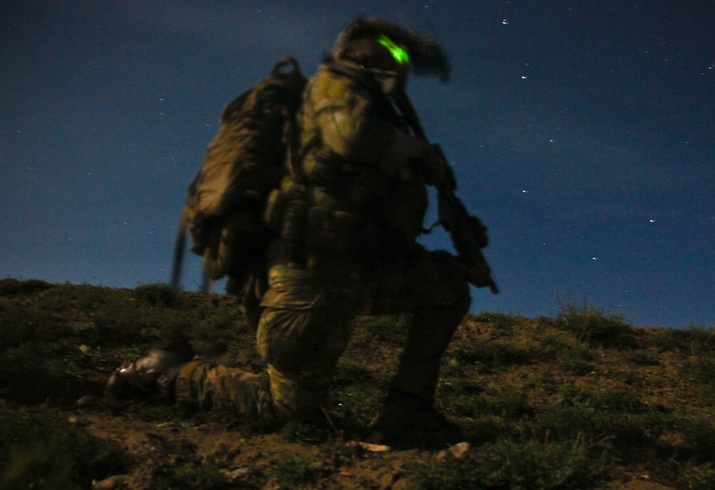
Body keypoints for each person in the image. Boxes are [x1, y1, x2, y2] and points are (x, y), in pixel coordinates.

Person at [108, 18, 473, 447]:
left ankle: (407, 412)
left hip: (359, 272)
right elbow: (349, 137)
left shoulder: (381, 112)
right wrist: (417, 152)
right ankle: (165, 373)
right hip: (309, 274)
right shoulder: (337, 83)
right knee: (290, 410)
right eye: (390, 54)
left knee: (447, 285)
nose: (399, 65)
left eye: (403, 57)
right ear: (357, 53)